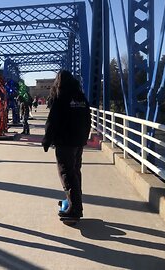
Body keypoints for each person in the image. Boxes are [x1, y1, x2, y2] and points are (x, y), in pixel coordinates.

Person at [42, 70, 91, 220]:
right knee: (75, 172)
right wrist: (84, 138)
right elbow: (88, 119)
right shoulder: (81, 97)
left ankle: (75, 209)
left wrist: (47, 140)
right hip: (78, 142)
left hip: (65, 142)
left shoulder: (60, 97)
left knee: (66, 174)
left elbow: (52, 121)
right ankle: (75, 203)